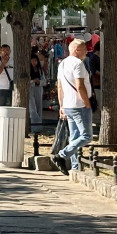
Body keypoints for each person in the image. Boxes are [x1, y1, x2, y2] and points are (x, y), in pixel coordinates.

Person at [52, 39, 93, 174]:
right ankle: (62, 155)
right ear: (77, 50)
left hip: (68, 105)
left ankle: (75, 167)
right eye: (84, 49)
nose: (87, 51)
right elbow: (80, 86)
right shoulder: (78, 64)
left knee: (75, 136)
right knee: (86, 136)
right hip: (79, 105)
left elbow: (60, 87)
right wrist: (87, 103)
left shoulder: (62, 64)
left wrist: (61, 105)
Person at [28, 52, 46, 133]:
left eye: (35, 60)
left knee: (39, 107)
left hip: (39, 88)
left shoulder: (40, 70)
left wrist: (39, 82)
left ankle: (39, 127)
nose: (34, 62)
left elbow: (44, 81)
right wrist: (33, 81)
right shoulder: (28, 70)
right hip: (31, 89)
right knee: (32, 109)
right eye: (32, 60)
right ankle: (34, 126)